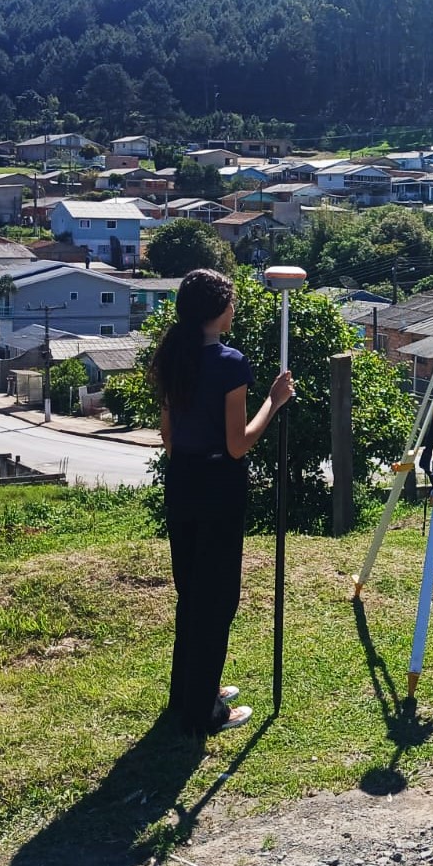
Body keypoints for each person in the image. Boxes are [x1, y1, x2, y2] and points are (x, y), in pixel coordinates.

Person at [148, 268, 294, 736]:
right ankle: (203, 712)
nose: (234, 309)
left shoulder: (173, 356)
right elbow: (238, 444)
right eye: (230, 302)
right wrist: (273, 401)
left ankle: (190, 691)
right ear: (217, 311)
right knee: (217, 598)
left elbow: (169, 436)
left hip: (182, 479)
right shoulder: (230, 363)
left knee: (192, 592)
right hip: (217, 484)